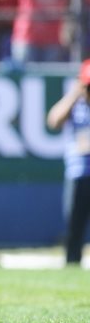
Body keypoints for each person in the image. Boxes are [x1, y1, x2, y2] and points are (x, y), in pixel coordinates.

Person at [46, 59, 90, 266]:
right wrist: (74, 93)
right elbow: (54, 120)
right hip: (78, 172)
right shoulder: (76, 105)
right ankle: (72, 262)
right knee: (74, 225)